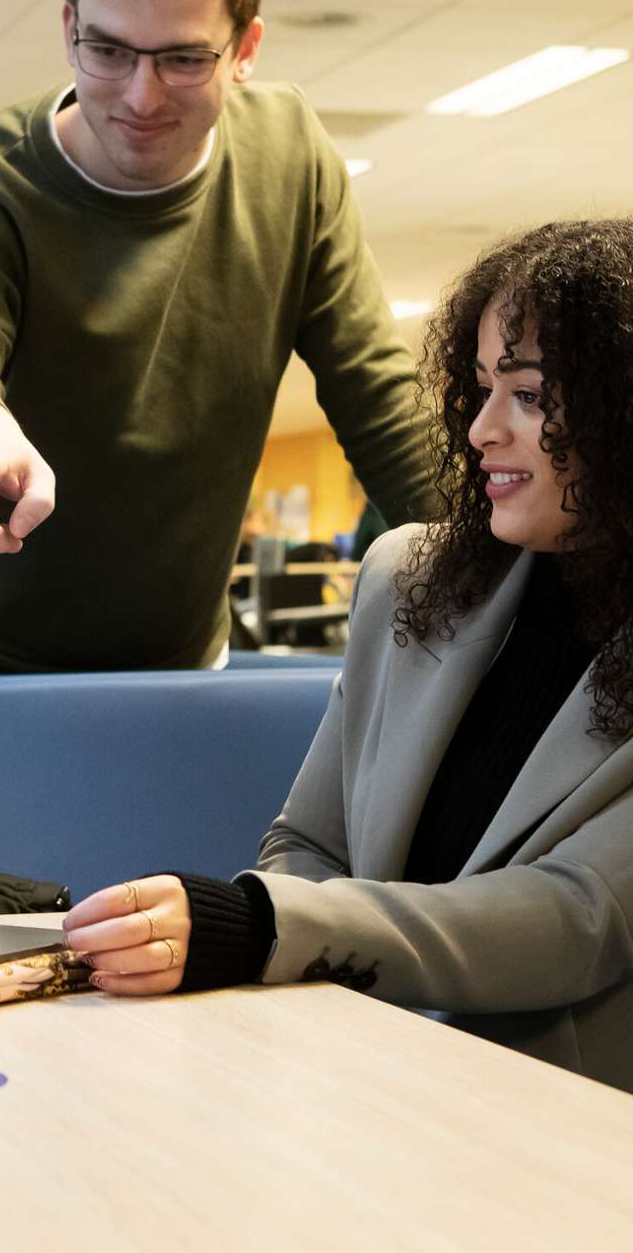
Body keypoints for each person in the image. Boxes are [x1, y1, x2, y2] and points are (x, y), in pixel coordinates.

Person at [62, 219, 633, 1092]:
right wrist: (302, 972)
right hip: (354, 1073)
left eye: (527, 394)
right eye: (480, 389)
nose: (481, 429)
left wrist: (263, 926)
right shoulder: (412, 578)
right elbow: (308, 840)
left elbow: (577, 919)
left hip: (557, 1111)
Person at [0, 0, 435, 673]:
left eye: (181, 59)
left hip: (178, 659)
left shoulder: (290, 157)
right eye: (107, 51)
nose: (141, 96)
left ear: (245, 47)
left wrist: (501, 568)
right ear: (69, 27)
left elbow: (379, 397)